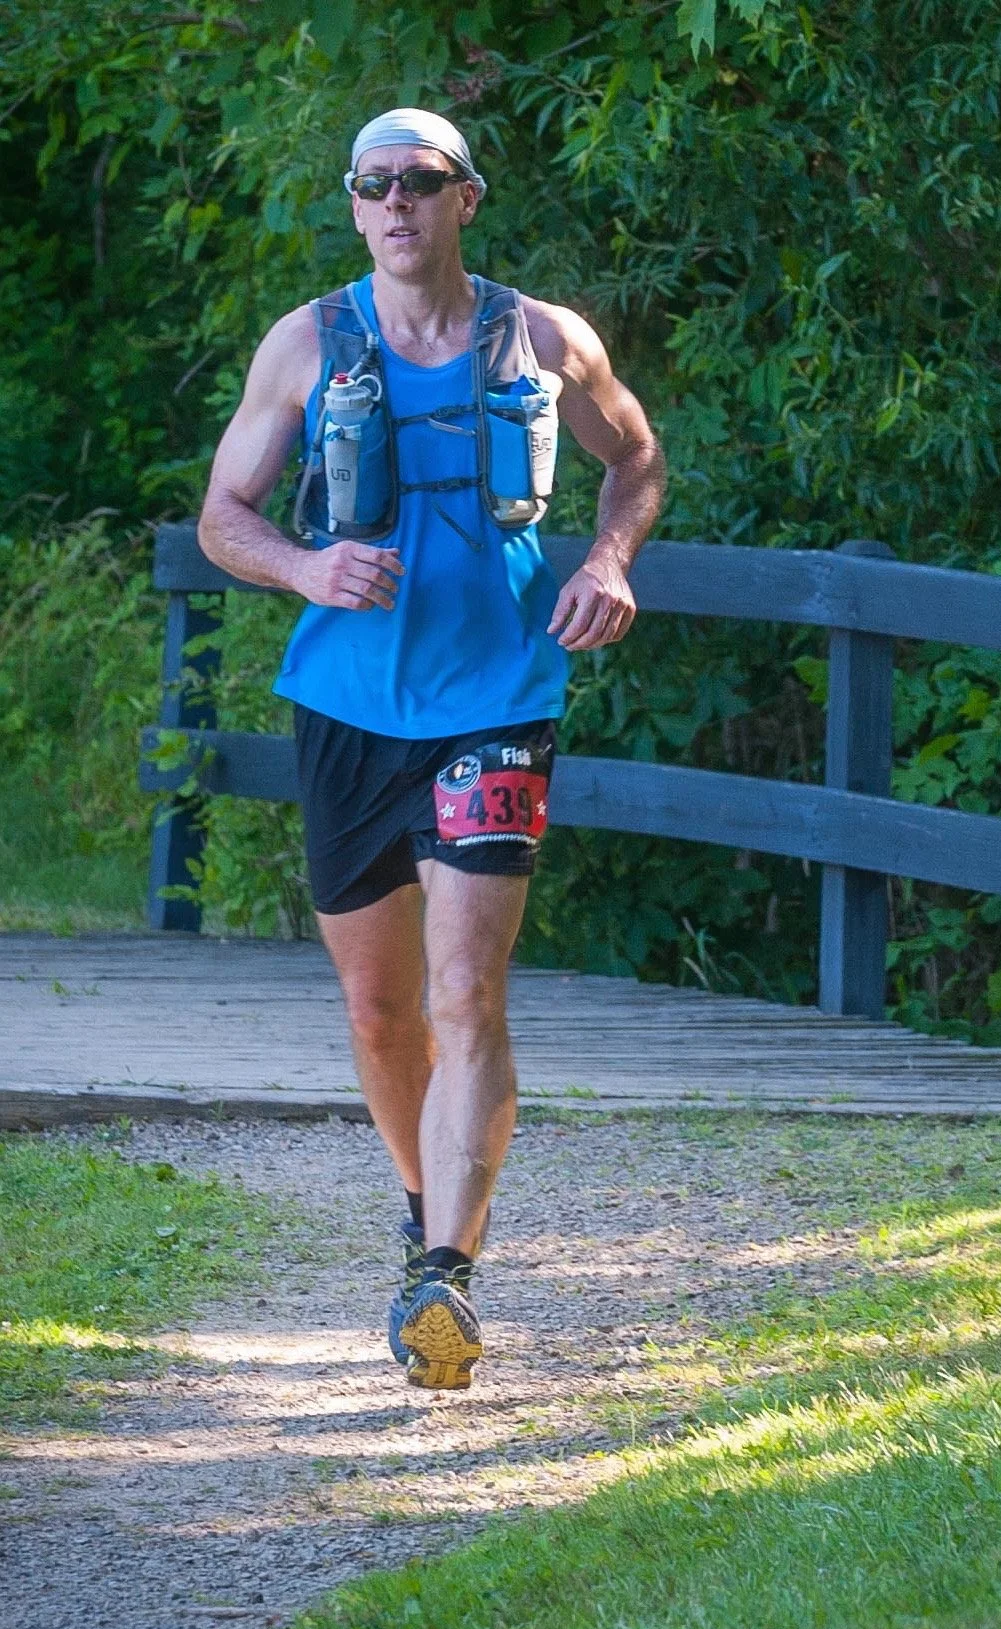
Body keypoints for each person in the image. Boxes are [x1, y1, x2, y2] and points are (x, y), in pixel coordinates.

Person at [197, 108, 665, 1389]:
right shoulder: (306, 344)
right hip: (348, 706)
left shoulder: (546, 336)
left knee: (465, 993)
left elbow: (637, 461)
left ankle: (445, 1276)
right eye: (373, 186)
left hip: (499, 697)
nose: (396, 204)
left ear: (466, 199)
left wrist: (611, 558)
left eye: (420, 182)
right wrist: (305, 564)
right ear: (353, 208)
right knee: (379, 1006)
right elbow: (221, 520)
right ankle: (424, 1220)